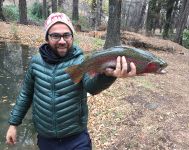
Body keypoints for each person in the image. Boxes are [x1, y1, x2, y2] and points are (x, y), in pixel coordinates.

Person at [6, 12, 136, 150]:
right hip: (46, 139)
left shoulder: (81, 61)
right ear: (47, 37)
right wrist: (13, 124)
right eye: (56, 35)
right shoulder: (35, 62)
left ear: (72, 36)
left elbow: (92, 87)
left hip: (76, 138)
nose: (62, 41)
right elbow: (26, 94)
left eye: (66, 35)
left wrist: (107, 75)